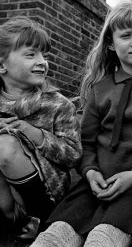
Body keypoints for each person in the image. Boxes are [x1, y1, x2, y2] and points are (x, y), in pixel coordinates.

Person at [32, 1, 132, 247]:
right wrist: (90, 171)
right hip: (95, 187)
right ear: (111, 44)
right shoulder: (100, 88)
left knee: (101, 240)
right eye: (126, 36)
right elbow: (87, 144)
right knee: (52, 239)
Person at [0, 16, 82, 242]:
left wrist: (34, 134)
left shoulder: (57, 104)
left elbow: (73, 155)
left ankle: (40, 218)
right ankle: (12, 221)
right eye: (31, 54)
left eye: (44, 55)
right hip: (4, 192)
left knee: (5, 145)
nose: (42, 62)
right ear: (1, 65)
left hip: (45, 190)